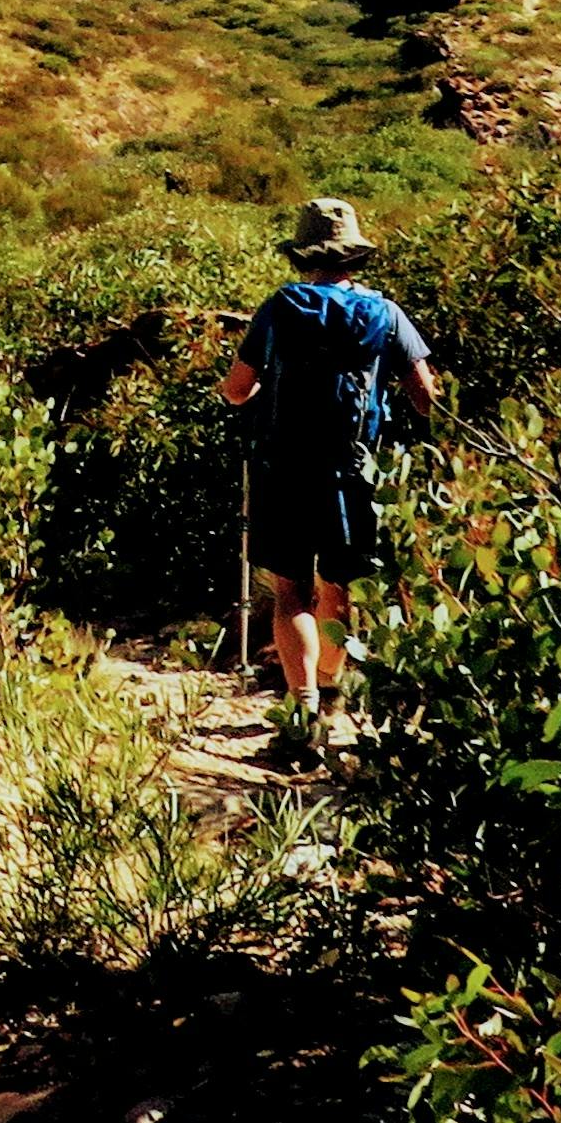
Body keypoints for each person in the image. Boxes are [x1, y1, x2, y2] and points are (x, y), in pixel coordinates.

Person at [218, 196, 439, 745]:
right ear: (354, 257)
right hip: (351, 469)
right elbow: (427, 397)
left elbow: (236, 390)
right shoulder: (386, 313)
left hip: (282, 468)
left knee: (289, 590)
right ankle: (331, 690)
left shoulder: (278, 308)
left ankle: (304, 708)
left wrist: (269, 393)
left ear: (304, 255)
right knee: (335, 586)